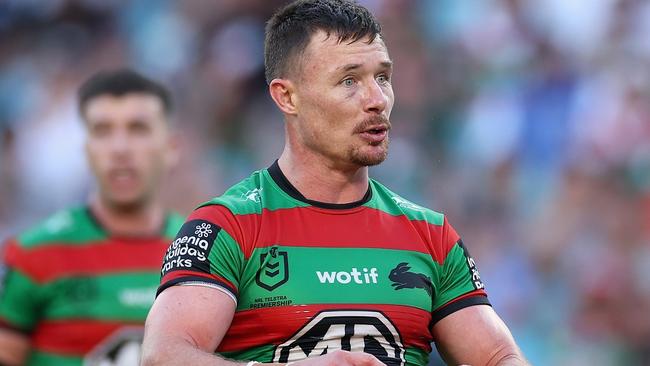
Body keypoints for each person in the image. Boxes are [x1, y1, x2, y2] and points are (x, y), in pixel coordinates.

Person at [142, 1, 528, 365]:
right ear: (287, 97)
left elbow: (499, 357)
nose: (377, 99)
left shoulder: (431, 235)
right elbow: (164, 355)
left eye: (383, 77)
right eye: (349, 81)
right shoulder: (227, 227)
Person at [0, 69, 184, 366]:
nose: (120, 148)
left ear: (172, 148)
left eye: (138, 129)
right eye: (102, 131)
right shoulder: (32, 254)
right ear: (86, 150)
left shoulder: (206, 254)